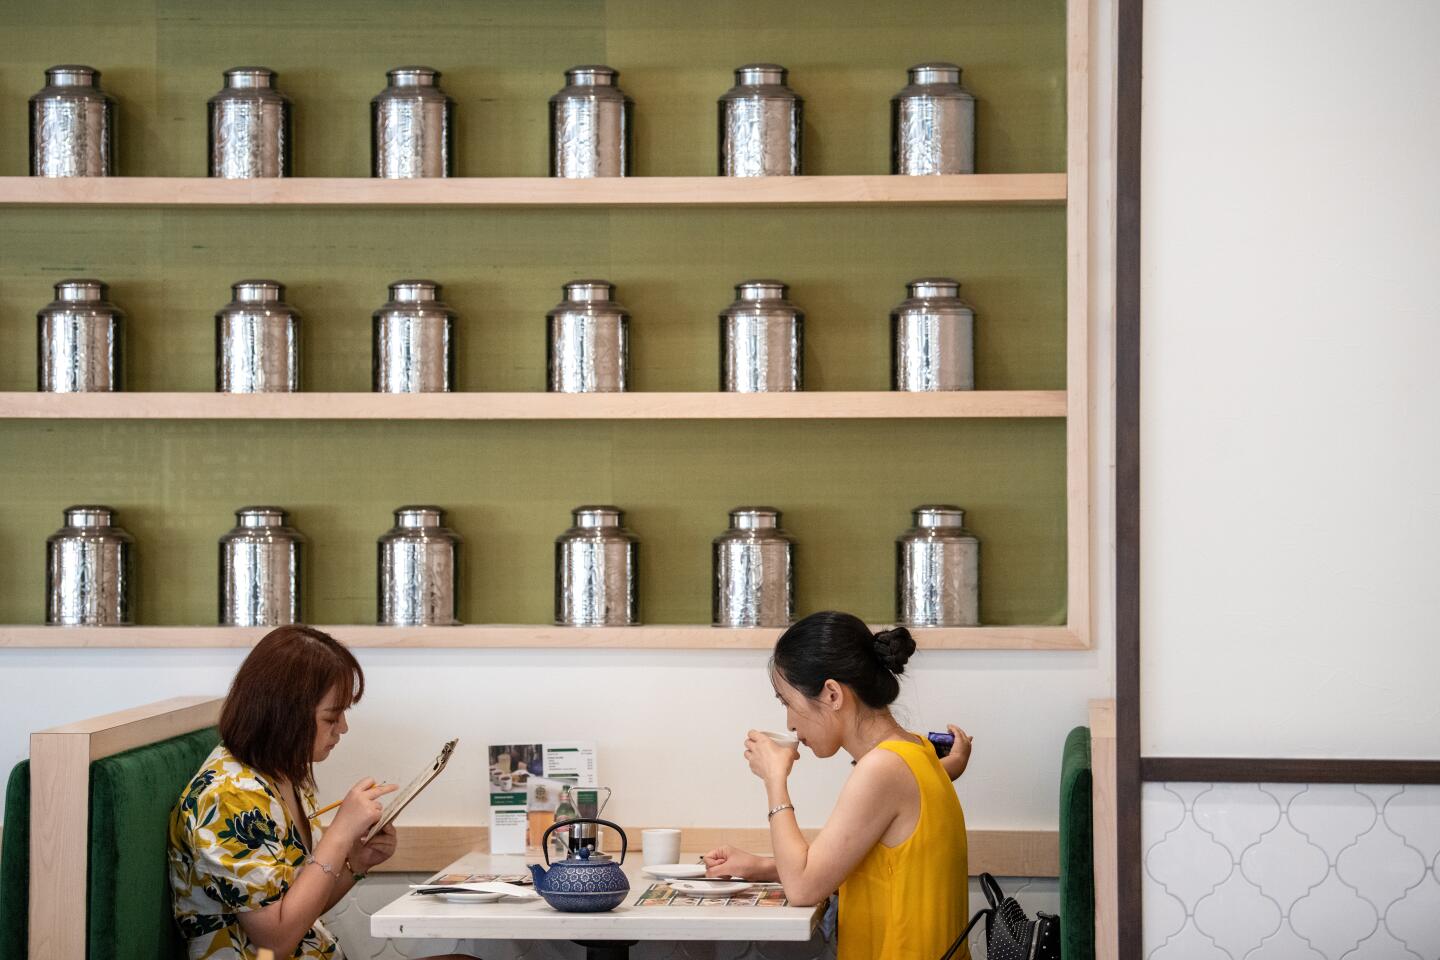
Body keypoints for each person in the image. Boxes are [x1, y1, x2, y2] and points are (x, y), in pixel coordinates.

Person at [167, 625, 473, 960]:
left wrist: (356, 863)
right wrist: (340, 834)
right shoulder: (229, 797)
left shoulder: (284, 775)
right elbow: (275, 941)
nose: (343, 728)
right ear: (286, 713)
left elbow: (298, 909)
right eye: (332, 716)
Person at [702, 611, 973, 960]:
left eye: (787, 701)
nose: (789, 722)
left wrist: (774, 779)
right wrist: (764, 867)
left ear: (832, 694)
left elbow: (802, 888)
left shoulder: (882, 769)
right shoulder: (916, 752)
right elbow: (856, 857)